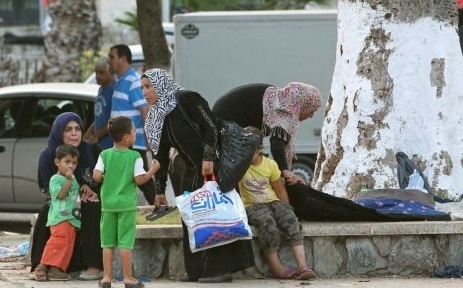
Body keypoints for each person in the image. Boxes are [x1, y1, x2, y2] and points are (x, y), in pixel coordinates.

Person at [141, 68, 255, 283]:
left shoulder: (186, 99)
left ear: (161, 84)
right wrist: (159, 190)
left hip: (215, 167)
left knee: (217, 214)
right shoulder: (157, 118)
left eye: (149, 86)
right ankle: (198, 271)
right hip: (192, 171)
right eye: (143, 88)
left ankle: (220, 270)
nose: (145, 92)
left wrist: (209, 157)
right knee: (192, 218)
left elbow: (211, 125)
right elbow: (160, 157)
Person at [30, 112, 103, 281]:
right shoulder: (48, 155)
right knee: (45, 212)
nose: (74, 133)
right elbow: (47, 191)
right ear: (58, 132)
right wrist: (74, 195)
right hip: (59, 200)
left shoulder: (91, 150)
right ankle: (41, 266)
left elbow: (101, 181)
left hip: (88, 198)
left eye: (78, 129)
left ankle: (93, 266)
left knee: (92, 208)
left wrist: (90, 190)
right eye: (68, 129)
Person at [239, 127, 316, 280]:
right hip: (252, 205)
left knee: (290, 220)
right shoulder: (240, 165)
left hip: (273, 202)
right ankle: (276, 266)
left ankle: (302, 265)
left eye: (251, 150)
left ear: (260, 148)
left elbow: (280, 191)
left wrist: (287, 208)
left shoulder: (270, 165)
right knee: (267, 223)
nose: (247, 153)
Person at [93, 116, 160, 288]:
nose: (135, 134)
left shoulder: (104, 154)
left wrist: (106, 176)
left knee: (107, 243)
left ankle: (106, 277)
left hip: (108, 205)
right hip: (126, 206)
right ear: (126, 137)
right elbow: (139, 179)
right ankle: (128, 277)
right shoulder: (134, 156)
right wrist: (153, 170)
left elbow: (96, 176)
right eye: (134, 131)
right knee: (125, 243)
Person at [212, 82, 322, 185]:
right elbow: (277, 144)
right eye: (312, 110)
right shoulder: (285, 112)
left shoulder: (280, 101)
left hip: (225, 114)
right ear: (303, 104)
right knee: (239, 165)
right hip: (226, 118)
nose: (311, 116)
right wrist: (285, 171)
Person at [107, 44, 156, 205]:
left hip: (133, 142)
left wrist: (149, 137)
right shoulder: (121, 80)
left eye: (112, 57)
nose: (109, 61)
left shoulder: (133, 80)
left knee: (142, 179)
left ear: (123, 58)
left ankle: (160, 205)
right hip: (124, 141)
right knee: (134, 178)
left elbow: (144, 109)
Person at [34, 144, 81, 282]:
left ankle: (56, 270)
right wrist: (68, 180)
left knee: (67, 246)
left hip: (72, 218)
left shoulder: (73, 178)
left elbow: (75, 191)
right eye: (67, 162)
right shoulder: (56, 179)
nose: (71, 166)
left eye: (74, 163)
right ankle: (41, 267)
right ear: (57, 162)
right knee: (57, 243)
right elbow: (60, 195)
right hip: (60, 218)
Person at [84, 56, 116, 150]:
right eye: (96, 72)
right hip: (100, 145)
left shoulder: (115, 90)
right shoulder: (101, 89)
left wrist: (97, 136)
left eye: (101, 72)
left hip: (110, 144)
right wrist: (89, 132)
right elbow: (100, 116)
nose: (97, 76)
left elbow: (114, 120)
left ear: (111, 72)